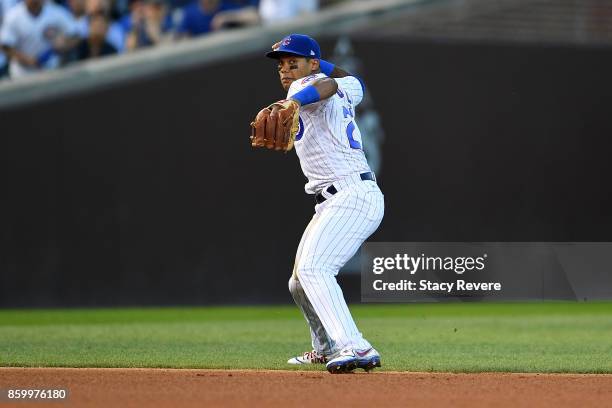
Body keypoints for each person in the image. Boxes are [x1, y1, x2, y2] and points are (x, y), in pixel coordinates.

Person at [264, 34, 384, 374]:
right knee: (298, 281)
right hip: (337, 199)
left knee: (315, 269)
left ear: (312, 65)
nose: (286, 71)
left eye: (294, 62)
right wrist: (316, 71)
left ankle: (355, 346)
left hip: (352, 195)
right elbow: (345, 80)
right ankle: (326, 347)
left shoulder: (309, 85)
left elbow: (326, 85)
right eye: (282, 65)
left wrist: (296, 99)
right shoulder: (348, 87)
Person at [1, 0, 79, 78]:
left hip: (52, 69)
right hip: (23, 73)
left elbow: (76, 35)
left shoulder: (55, 11)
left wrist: (65, 44)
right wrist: (26, 59)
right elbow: (5, 46)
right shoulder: (13, 16)